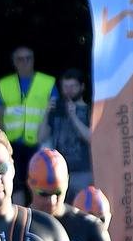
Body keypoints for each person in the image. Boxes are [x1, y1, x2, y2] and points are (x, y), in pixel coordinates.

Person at [0, 46, 56, 194]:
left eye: (28, 58)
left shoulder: (47, 82)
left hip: (39, 142)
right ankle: (20, 215)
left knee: (38, 185)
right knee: (16, 185)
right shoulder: (4, 84)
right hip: (12, 143)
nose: (25, 62)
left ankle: (37, 215)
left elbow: (55, 114)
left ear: (33, 60)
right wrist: (0, 141)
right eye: (20, 59)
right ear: (14, 62)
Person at [38, 69, 93, 198]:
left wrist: (73, 116)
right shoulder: (56, 110)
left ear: (82, 87)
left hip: (83, 172)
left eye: (73, 86)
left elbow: (91, 138)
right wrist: (46, 113)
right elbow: (40, 137)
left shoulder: (90, 109)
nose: (69, 90)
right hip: (58, 171)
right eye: (66, 87)